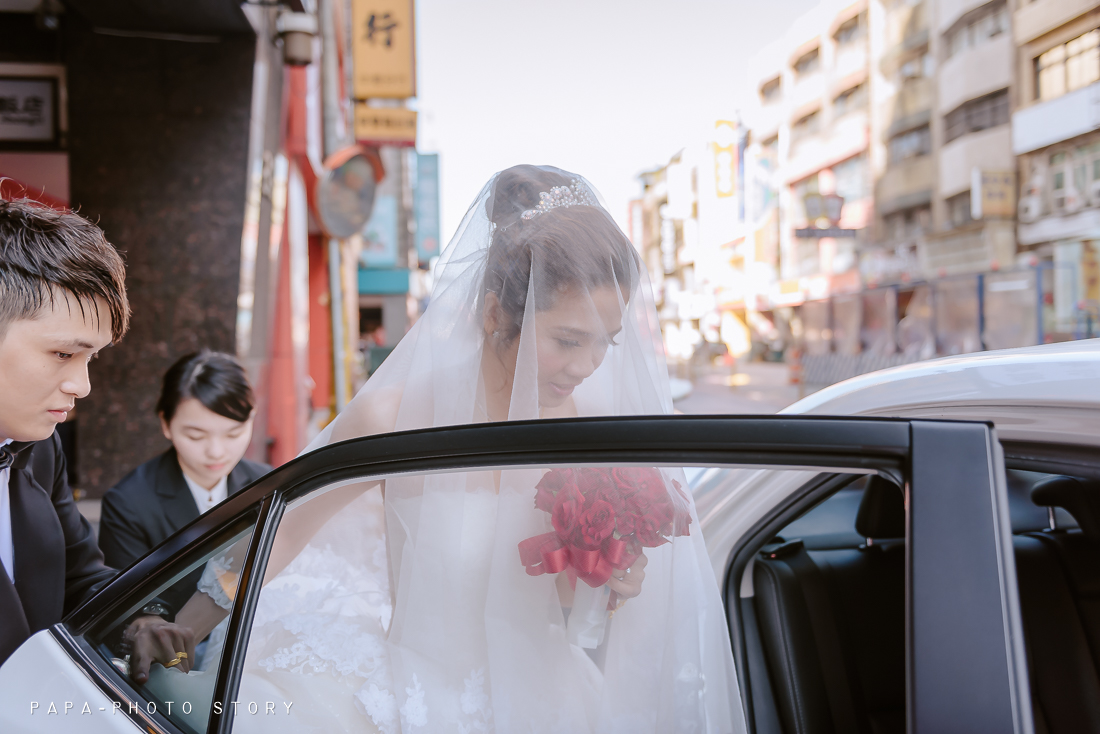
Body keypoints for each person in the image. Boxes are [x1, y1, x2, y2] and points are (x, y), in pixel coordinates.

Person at [145, 166, 744, 733]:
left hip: (546, 697)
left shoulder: (591, 432)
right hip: (419, 697)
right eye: (567, 339)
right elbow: (283, 532)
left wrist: (612, 582)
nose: (587, 366)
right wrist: (183, 628)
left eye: (605, 344)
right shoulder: (397, 415)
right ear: (492, 315)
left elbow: (576, 612)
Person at [0, 198, 192, 670]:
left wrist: (141, 622)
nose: (82, 386)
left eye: (92, 359)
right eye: (64, 354)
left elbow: (80, 575)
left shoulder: (41, 450)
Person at [98, 350, 270, 572]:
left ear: (252, 418)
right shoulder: (129, 505)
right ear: (166, 424)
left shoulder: (268, 483)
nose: (216, 452)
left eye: (233, 434)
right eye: (196, 436)